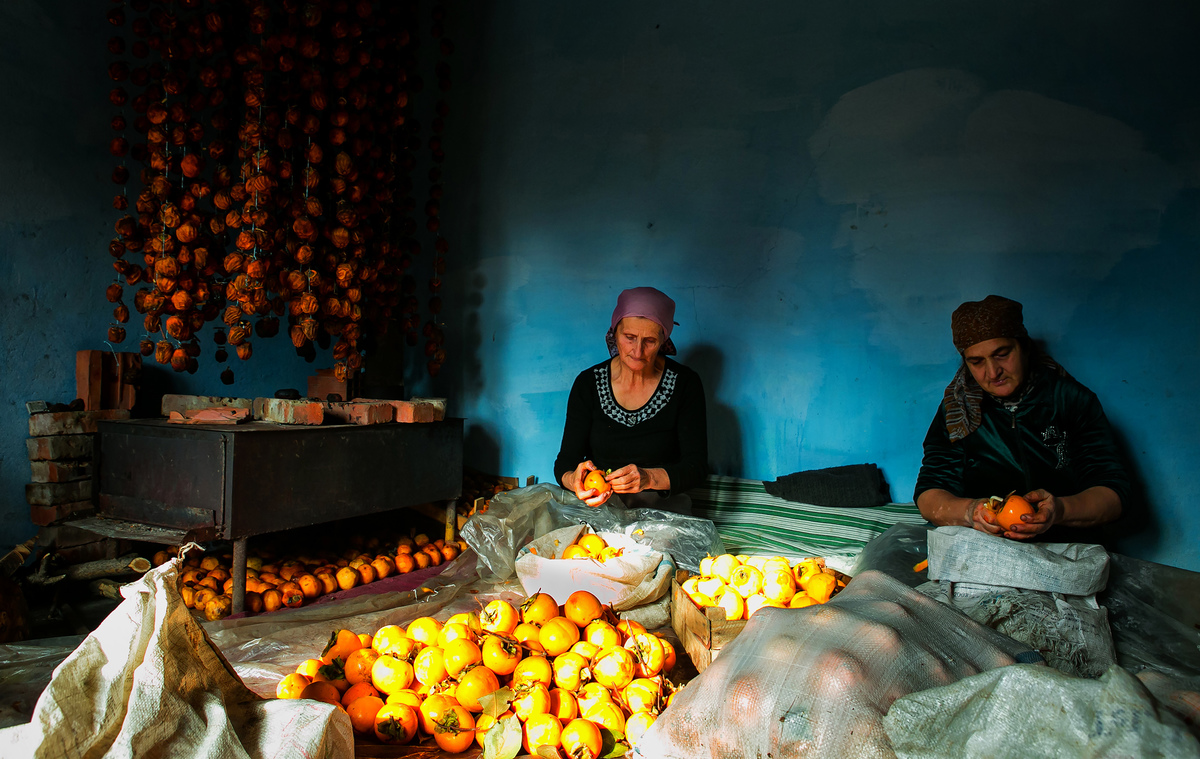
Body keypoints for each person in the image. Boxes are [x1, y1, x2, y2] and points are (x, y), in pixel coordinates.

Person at [914, 295, 1130, 542]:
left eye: (1002, 354)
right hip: (988, 548)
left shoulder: (1071, 400)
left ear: (1025, 348)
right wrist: (970, 512)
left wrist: (1059, 511)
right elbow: (929, 493)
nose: (993, 372)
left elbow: (1113, 495)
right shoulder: (958, 411)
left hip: (1070, 546)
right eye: (977, 362)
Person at [554, 287, 708, 512]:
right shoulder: (588, 384)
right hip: (598, 507)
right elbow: (565, 462)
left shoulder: (685, 383)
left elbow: (696, 468)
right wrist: (574, 480)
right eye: (629, 338)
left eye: (650, 341)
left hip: (663, 513)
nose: (637, 351)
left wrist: (648, 478)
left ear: (663, 340)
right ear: (614, 333)